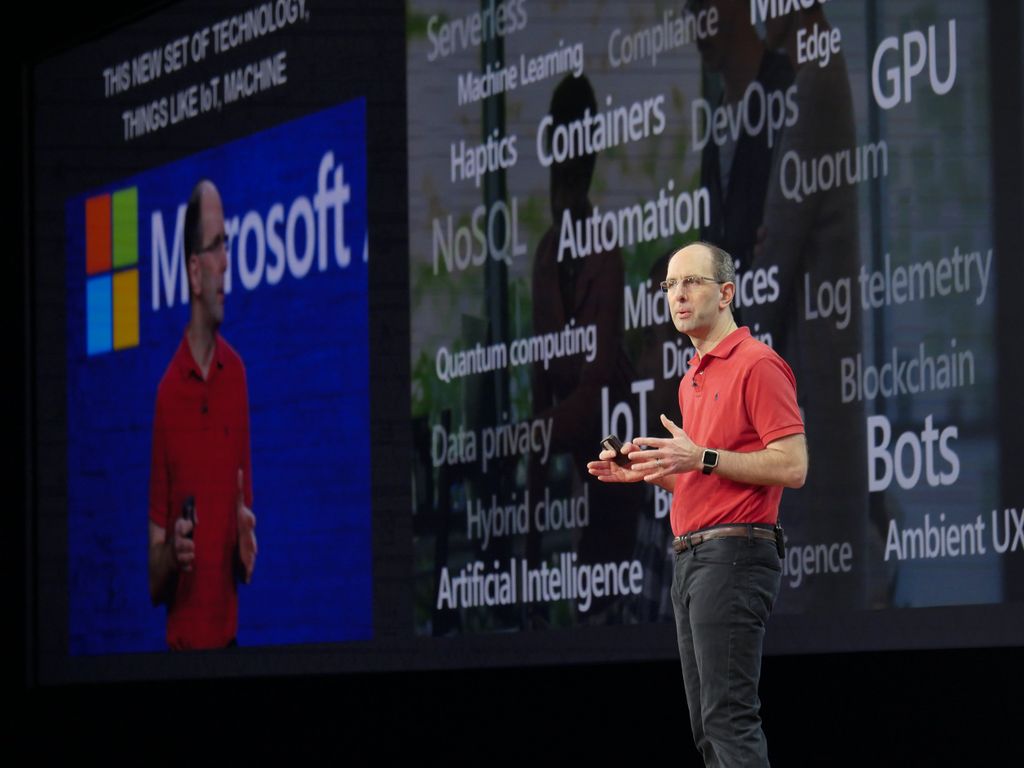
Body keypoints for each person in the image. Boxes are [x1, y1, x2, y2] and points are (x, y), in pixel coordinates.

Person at [588, 241, 807, 766]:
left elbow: (793, 466)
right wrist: (650, 471)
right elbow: (708, 480)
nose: (677, 295)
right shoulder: (692, 378)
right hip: (692, 557)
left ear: (726, 293)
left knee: (728, 721)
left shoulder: (758, 364)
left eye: (691, 282)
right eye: (670, 285)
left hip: (733, 556)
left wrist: (701, 456)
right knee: (708, 729)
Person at [148, 179, 257, 650]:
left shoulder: (238, 377)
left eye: (227, 245)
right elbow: (153, 581)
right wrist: (173, 554)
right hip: (181, 659)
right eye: (216, 247)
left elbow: (242, 548)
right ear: (195, 272)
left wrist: (244, 550)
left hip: (230, 651)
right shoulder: (167, 395)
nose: (227, 262)